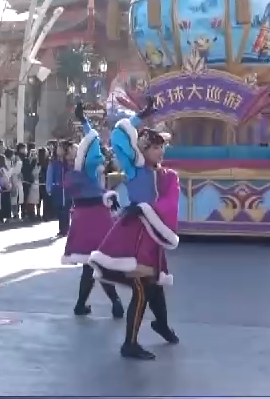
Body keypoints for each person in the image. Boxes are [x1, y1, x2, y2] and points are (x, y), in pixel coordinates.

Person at [89, 99, 180, 361]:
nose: (160, 152)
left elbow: (169, 202)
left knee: (154, 285)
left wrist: (145, 209)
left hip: (151, 235)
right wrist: (139, 117)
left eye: (161, 147)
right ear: (143, 150)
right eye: (154, 148)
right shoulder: (134, 168)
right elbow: (119, 136)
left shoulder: (168, 176)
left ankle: (161, 325)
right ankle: (130, 343)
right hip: (131, 235)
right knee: (142, 288)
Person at [61, 105, 124, 319]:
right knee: (97, 261)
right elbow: (93, 140)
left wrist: (84, 122)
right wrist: (84, 122)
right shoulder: (87, 168)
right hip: (97, 216)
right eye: (73, 148)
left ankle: (83, 304)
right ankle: (113, 302)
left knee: (91, 263)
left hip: (83, 218)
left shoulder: (74, 172)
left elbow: (92, 141)